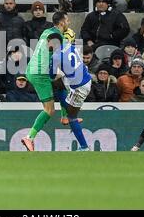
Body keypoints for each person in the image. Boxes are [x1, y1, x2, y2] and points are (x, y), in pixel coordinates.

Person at [21, 11, 69, 151]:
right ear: (61, 22)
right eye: (67, 20)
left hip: (34, 69)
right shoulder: (58, 37)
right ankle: (29, 137)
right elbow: (57, 57)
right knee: (49, 110)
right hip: (40, 73)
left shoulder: (47, 31)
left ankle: (65, 117)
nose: (69, 22)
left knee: (61, 86)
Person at [47, 32, 92, 151]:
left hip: (79, 87)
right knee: (60, 84)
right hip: (84, 79)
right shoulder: (70, 46)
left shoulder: (55, 56)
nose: (47, 45)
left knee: (71, 117)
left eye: (48, 42)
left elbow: (51, 75)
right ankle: (70, 108)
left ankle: (84, 147)